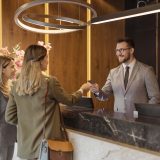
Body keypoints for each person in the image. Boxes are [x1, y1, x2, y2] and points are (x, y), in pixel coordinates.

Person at [5, 44, 91, 160]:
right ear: (39, 61)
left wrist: (28, 122)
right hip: (46, 147)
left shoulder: (16, 85)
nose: (48, 61)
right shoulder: (49, 83)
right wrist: (82, 89)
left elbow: (9, 117)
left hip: (26, 148)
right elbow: (70, 100)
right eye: (46, 57)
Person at [89, 37, 160, 115]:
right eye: (117, 50)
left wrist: (145, 114)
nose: (119, 53)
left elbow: (155, 97)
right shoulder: (113, 72)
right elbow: (105, 96)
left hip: (139, 121)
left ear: (131, 50)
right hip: (118, 120)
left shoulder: (146, 70)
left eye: (122, 50)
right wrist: (98, 91)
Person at [0, 49, 16, 160]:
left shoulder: (10, 88)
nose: (15, 70)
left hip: (10, 135)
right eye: (12, 67)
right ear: (2, 70)